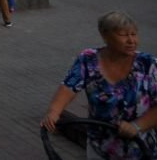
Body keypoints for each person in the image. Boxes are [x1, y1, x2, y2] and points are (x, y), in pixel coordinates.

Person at [42, 11, 157, 159]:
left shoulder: (148, 64)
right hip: (99, 147)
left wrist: (137, 126)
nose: (131, 40)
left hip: (141, 150)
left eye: (134, 34)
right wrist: (54, 111)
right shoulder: (88, 59)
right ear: (105, 36)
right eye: (124, 35)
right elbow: (69, 86)